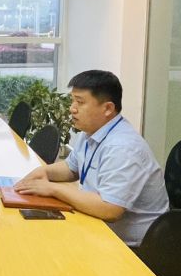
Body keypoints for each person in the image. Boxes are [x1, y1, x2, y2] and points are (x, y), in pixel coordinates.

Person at [14, 70, 169, 247]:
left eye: (80, 102)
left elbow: (110, 209)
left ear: (108, 108)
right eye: (73, 100)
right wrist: (44, 171)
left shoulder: (123, 147)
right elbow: (71, 168)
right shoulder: (92, 132)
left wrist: (53, 189)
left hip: (130, 248)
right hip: (95, 225)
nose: (72, 108)